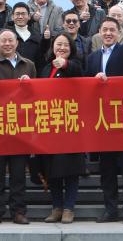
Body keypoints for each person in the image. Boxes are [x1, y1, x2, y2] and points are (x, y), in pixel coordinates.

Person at [86, 18, 123, 224]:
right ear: (99, 32)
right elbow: (85, 83)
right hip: (103, 119)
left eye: (112, 30)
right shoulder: (92, 57)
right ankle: (111, 210)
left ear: (119, 33)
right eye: (105, 30)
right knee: (107, 169)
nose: (108, 33)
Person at [0, 29, 36, 224]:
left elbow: (37, 94)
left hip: (20, 127)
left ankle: (18, 211)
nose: (8, 44)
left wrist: (30, 84)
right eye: (4, 41)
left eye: (11, 40)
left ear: (17, 43)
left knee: (18, 173)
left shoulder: (28, 65)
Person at [38, 33, 85, 224]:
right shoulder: (46, 68)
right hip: (49, 125)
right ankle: (57, 207)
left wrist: (64, 64)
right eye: (58, 44)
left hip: (70, 125)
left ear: (71, 48)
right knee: (52, 169)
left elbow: (77, 72)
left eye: (66, 45)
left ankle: (69, 208)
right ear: (53, 47)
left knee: (71, 170)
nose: (62, 48)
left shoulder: (75, 65)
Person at [1, 2, 45, 69]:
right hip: (9, 73)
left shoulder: (36, 36)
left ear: (29, 16)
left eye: (23, 14)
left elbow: (40, 59)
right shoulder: (5, 34)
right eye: (17, 14)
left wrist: (46, 39)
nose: (20, 17)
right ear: (12, 17)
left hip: (31, 73)